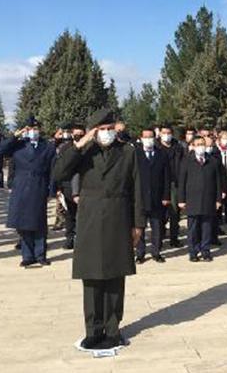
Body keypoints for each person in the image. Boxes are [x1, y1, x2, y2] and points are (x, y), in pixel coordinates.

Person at [53, 109, 145, 351]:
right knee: (92, 277)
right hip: (91, 220)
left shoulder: (127, 151)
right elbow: (59, 173)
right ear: (93, 131)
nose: (107, 133)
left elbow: (137, 188)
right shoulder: (83, 152)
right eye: (101, 129)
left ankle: (113, 329)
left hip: (118, 217)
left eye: (110, 129)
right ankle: (93, 330)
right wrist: (81, 144)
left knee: (116, 276)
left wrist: (138, 224)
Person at [0, 116, 57, 266]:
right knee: (23, 223)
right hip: (21, 187)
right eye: (29, 129)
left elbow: (52, 170)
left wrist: (52, 190)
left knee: (40, 223)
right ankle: (27, 256)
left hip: (39, 186)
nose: (32, 132)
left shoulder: (47, 146)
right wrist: (15, 135)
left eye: (35, 129)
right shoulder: (18, 145)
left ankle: (40, 255)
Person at [178, 136, 222, 262]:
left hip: (208, 199)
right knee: (193, 228)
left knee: (207, 227)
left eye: (203, 144)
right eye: (198, 144)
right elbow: (182, 181)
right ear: (193, 145)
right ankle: (193, 251)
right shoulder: (186, 160)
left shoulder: (212, 161)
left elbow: (218, 182)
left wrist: (218, 199)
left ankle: (205, 251)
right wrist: (181, 199)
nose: (201, 146)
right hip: (192, 200)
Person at [134, 128, 171, 263]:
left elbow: (167, 177)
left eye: (151, 137)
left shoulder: (162, 154)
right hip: (140, 197)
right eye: (146, 137)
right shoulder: (136, 154)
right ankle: (140, 253)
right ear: (141, 138)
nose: (149, 139)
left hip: (157, 198)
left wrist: (166, 196)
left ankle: (156, 252)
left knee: (157, 227)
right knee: (140, 227)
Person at [55, 123, 85, 249]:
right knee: (69, 215)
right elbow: (60, 169)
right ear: (72, 134)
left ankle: (82, 239)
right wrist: (58, 188)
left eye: (81, 134)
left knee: (84, 215)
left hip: (84, 187)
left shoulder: (89, 148)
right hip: (67, 186)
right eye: (76, 134)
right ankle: (70, 238)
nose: (78, 136)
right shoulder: (65, 148)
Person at [156, 126, 185, 248]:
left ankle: (174, 238)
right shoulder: (156, 147)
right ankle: (159, 237)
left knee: (174, 213)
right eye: (164, 133)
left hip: (174, 183)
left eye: (168, 133)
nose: (166, 135)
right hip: (159, 183)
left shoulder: (178, 148)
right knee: (159, 213)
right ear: (160, 134)